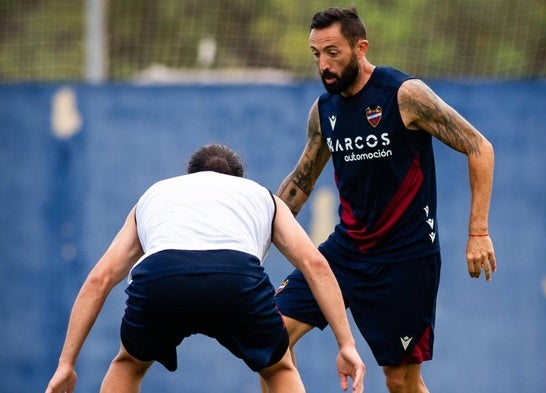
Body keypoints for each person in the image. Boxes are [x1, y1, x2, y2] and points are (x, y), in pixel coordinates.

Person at [266, 6, 497, 393]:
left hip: (405, 259)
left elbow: (479, 147)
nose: (323, 64)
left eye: (333, 53)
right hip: (346, 252)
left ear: (360, 48)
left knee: (401, 381)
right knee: (268, 338)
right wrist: (250, 228)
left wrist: (478, 232)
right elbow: (300, 182)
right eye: (316, 54)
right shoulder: (325, 111)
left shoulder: (404, 95)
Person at [45, 143, 365, 393]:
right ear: (237, 180)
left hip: (162, 278)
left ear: (190, 176)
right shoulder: (260, 195)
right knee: (278, 368)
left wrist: (66, 363)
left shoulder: (155, 195)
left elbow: (99, 280)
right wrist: (346, 344)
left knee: (128, 364)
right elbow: (316, 265)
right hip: (235, 278)